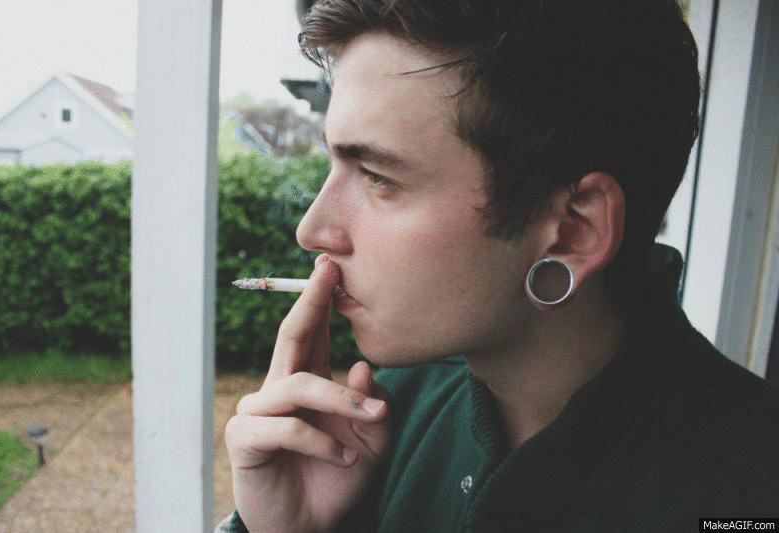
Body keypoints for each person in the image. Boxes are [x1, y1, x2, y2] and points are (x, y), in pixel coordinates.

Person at [218, 0, 779, 531]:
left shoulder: (751, 493)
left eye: (378, 177)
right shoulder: (384, 415)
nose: (312, 230)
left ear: (573, 232)